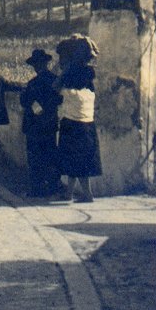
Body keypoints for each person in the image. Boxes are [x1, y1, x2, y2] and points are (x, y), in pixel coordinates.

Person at [55, 36, 101, 202]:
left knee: (73, 160)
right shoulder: (89, 81)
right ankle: (73, 193)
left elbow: (56, 87)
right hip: (87, 125)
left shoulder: (69, 83)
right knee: (82, 161)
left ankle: (84, 194)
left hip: (71, 124)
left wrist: (63, 71)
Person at [20, 49, 62, 198]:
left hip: (34, 126)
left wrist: (37, 108)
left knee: (35, 158)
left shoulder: (33, 83)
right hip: (49, 125)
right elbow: (58, 100)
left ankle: (37, 188)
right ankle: (52, 186)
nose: (36, 67)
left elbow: (24, 101)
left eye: (37, 64)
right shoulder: (55, 80)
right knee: (50, 156)